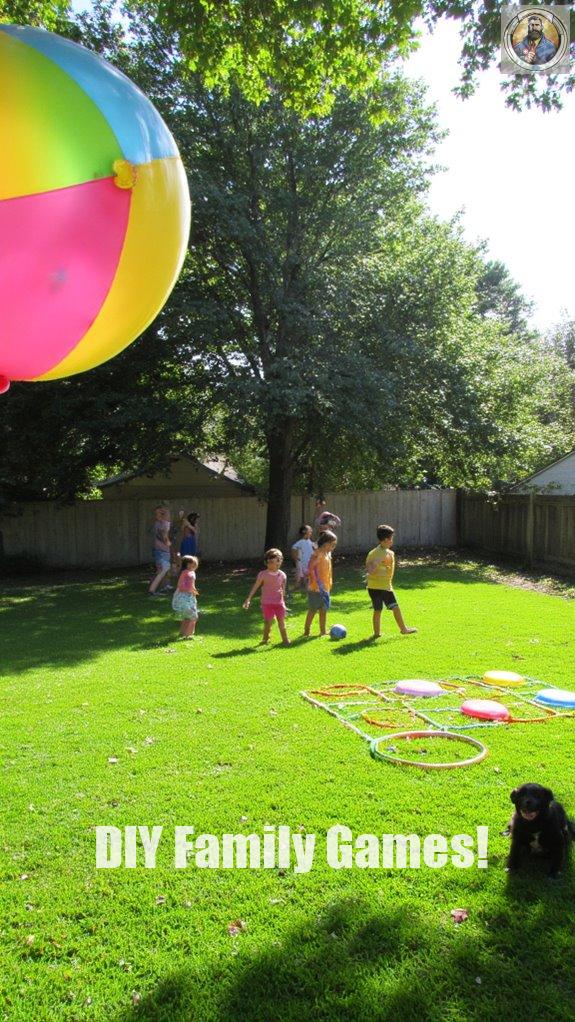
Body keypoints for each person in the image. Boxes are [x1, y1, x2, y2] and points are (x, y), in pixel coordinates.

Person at [365, 524, 417, 638]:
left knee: (382, 609)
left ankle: (380, 633)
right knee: (387, 608)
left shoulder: (389, 553)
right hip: (378, 587)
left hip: (382, 586)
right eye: (391, 538)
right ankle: (400, 630)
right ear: (385, 540)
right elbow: (369, 570)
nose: (391, 541)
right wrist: (375, 565)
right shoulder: (376, 553)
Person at [243, 549, 290, 645]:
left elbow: (283, 590)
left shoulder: (283, 575)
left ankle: (285, 640)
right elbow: (256, 586)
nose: (272, 564)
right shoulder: (263, 574)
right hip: (267, 603)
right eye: (269, 562)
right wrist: (248, 599)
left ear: (280, 561)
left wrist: (283, 593)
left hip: (279, 603)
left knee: (281, 622)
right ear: (266, 562)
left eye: (275, 561)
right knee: (268, 622)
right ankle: (265, 638)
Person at [304, 530, 337, 637]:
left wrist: (329, 583)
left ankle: (323, 631)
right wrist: (315, 581)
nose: (334, 547)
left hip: (325, 588)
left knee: (324, 610)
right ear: (326, 544)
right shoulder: (317, 554)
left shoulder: (327, 554)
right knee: (312, 610)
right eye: (332, 544)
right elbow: (310, 568)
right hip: (315, 588)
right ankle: (307, 631)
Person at [172, 555, 200, 639]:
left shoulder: (192, 573)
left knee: (188, 617)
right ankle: (189, 635)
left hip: (190, 598)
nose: (195, 566)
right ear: (187, 564)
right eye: (193, 564)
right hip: (183, 598)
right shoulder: (185, 573)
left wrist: (194, 591)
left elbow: (192, 584)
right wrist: (189, 590)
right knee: (193, 617)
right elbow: (180, 586)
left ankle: (183, 633)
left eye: (195, 564)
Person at [148, 505, 172, 595]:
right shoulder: (164, 523)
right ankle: (152, 591)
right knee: (163, 570)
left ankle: (156, 588)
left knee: (160, 570)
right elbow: (164, 536)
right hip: (163, 551)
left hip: (158, 550)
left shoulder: (157, 523)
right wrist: (168, 542)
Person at [291, 524, 316, 591]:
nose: (311, 531)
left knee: (307, 574)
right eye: (309, 530)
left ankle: (306, 587)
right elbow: (293, 548)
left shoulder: (309, 541)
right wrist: (296, 558)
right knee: (301, 574)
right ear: (304, 531)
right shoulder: (301, 542)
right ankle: (297, 586)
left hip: (309, 561)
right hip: (303, 561)